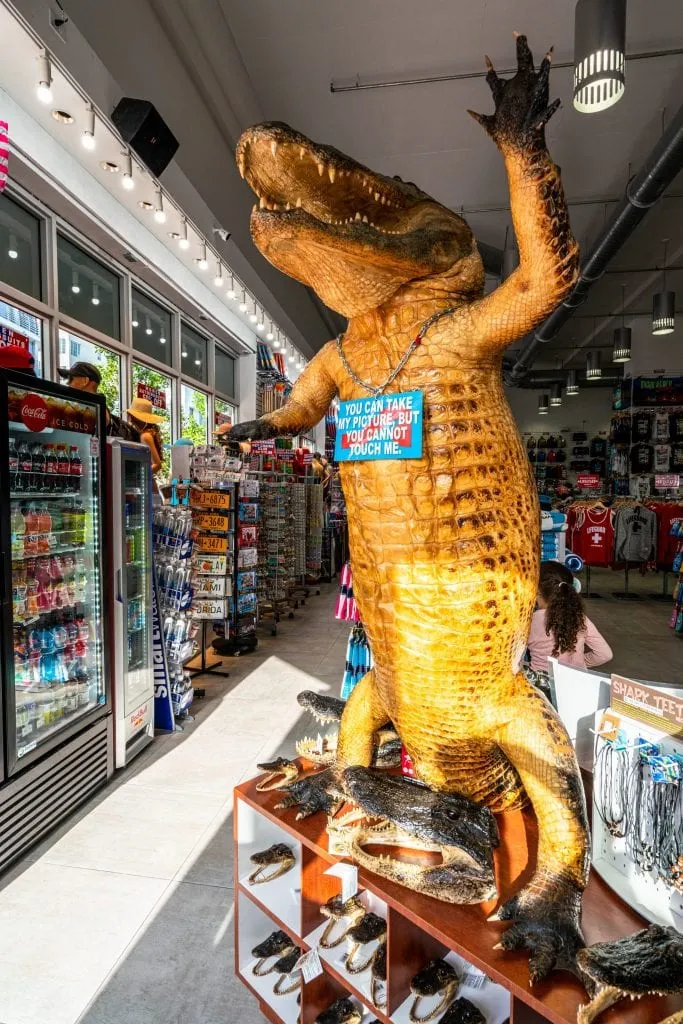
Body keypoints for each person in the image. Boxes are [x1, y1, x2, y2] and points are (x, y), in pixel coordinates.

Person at [526, 562, 612, 683]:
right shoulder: (580, 618)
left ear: (537, 590)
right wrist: (579, 664)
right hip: (577, 684)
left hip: (542, 686)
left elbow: (513, 660)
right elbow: (604, 654)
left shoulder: (528, 622)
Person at [58, 361, 139, 441]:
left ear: (85, 381)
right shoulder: (97, 406)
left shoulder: (96, 407)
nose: (68, 384)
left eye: (71, 379)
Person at [126, 397, 165, 490]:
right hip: (148, 484)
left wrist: (137, 477)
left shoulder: (145, 436)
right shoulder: (148, 434)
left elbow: (157, 464)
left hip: (147, 486)